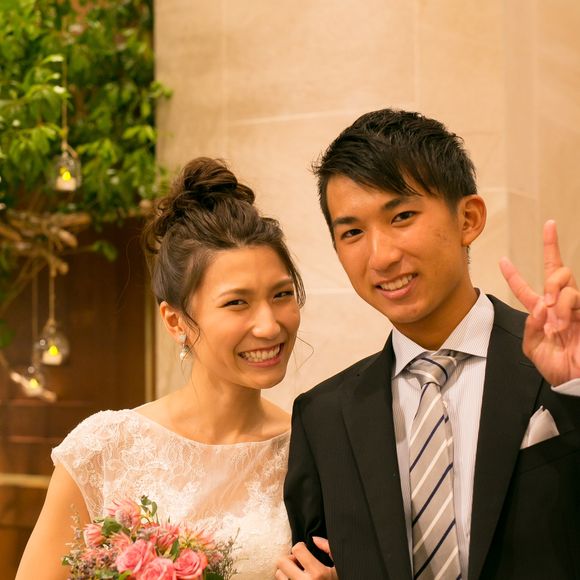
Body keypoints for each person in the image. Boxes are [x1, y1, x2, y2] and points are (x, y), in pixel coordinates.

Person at [278, 109, 580, 580]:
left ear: (468, 219)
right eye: (352, 232)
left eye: (402, 216)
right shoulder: (323, 417)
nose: (381, 256)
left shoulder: (562, 368)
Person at [17, 157, 306, 580]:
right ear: (175, 321)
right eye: (237, 302)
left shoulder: (308, 452)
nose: (269, 325)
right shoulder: (104, 447)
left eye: (281, 294)